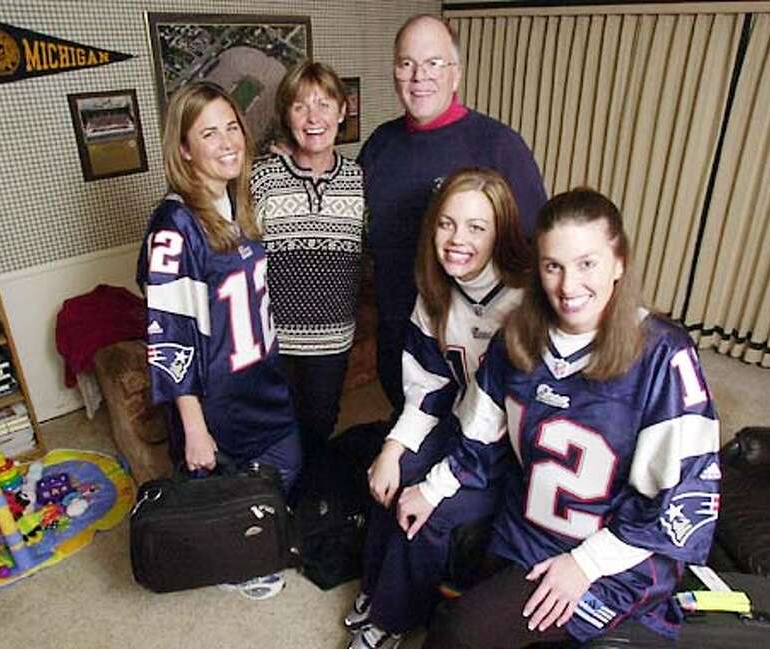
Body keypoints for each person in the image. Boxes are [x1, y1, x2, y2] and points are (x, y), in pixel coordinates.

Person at [418, 188, 721, 647]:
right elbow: (478, 438)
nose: (568, 286)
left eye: (587, 264)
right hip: (525, 535)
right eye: (553, 266)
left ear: (619, 263)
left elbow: (683, 501)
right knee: (457, 613)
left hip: (615, 557)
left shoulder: (664, 355)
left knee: (458, 634)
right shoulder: (515, 339)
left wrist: (586, 564)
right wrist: (430, 488)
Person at [344, 169, 532, 649]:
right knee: (391, 474)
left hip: (510, 452)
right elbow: (427, 389)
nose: (456, 240)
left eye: (476, 227)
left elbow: (495, 425)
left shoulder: (525, 303)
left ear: (501, 233)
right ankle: (374, 588)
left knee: (434, 512)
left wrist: (434, 488)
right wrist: (392, 449)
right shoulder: (436, 293)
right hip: (462, 424)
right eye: (447, 224)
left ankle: (392, 617)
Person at [136, 82, 301, 600]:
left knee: (287, 469)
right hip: (218, 398)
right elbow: (170, 335)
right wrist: (194, 428)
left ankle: (252, 538)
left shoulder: (237, 201)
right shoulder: (174, 225)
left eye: (232, 127)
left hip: (261, 380)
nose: (228, 141)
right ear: (184, 148)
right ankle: (234, 560)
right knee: (221, 499)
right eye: (209, 133)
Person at [359, 13, 548, 413]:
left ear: (456, 73)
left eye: (433, 63)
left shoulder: (499, 146)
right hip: (399, 334)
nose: (419, 76)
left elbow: (535, 251)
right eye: (407, 63)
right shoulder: (380, 144)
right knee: (410, 425)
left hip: (476, 343)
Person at [251, 61, 364, 493]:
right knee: (272, 432)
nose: (313, 117)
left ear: (342, 111)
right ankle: (271, 507)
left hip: (331, 341)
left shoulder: (360, 179)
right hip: (272, 341)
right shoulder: (261, 178)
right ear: (287, 115)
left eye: (324, 104)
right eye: (300, 106)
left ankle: (307, 507)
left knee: (319, 427)